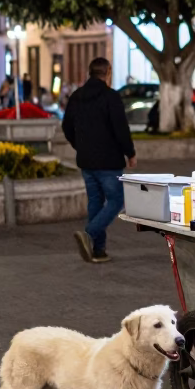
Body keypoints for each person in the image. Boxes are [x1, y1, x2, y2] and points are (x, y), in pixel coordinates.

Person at [62, 56, 137, 263]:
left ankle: (98, 250)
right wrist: (130, 153)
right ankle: (90, 233)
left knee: (95, 201)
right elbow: (121, 128)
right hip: (109, 161)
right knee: (116, 200)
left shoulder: (77, 96)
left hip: (86, 160)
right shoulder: (110, 96)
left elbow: (66, 126)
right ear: (108, 73)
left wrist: (80, 145)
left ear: (90, 72)